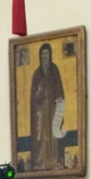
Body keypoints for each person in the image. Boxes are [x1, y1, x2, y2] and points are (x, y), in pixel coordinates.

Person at [29, 42, 65, 171]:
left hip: (52, 108)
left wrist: (59, 104)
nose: (45, 56)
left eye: (47, 53)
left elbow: (59, 88)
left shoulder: (54, 70)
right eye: (43, 54)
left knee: (52, 135)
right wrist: (39, 94)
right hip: (41, 110)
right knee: (41, 135)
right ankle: (41, 161)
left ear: (50, 55)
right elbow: (33, 96)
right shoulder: (37, 74)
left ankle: (53, 160)